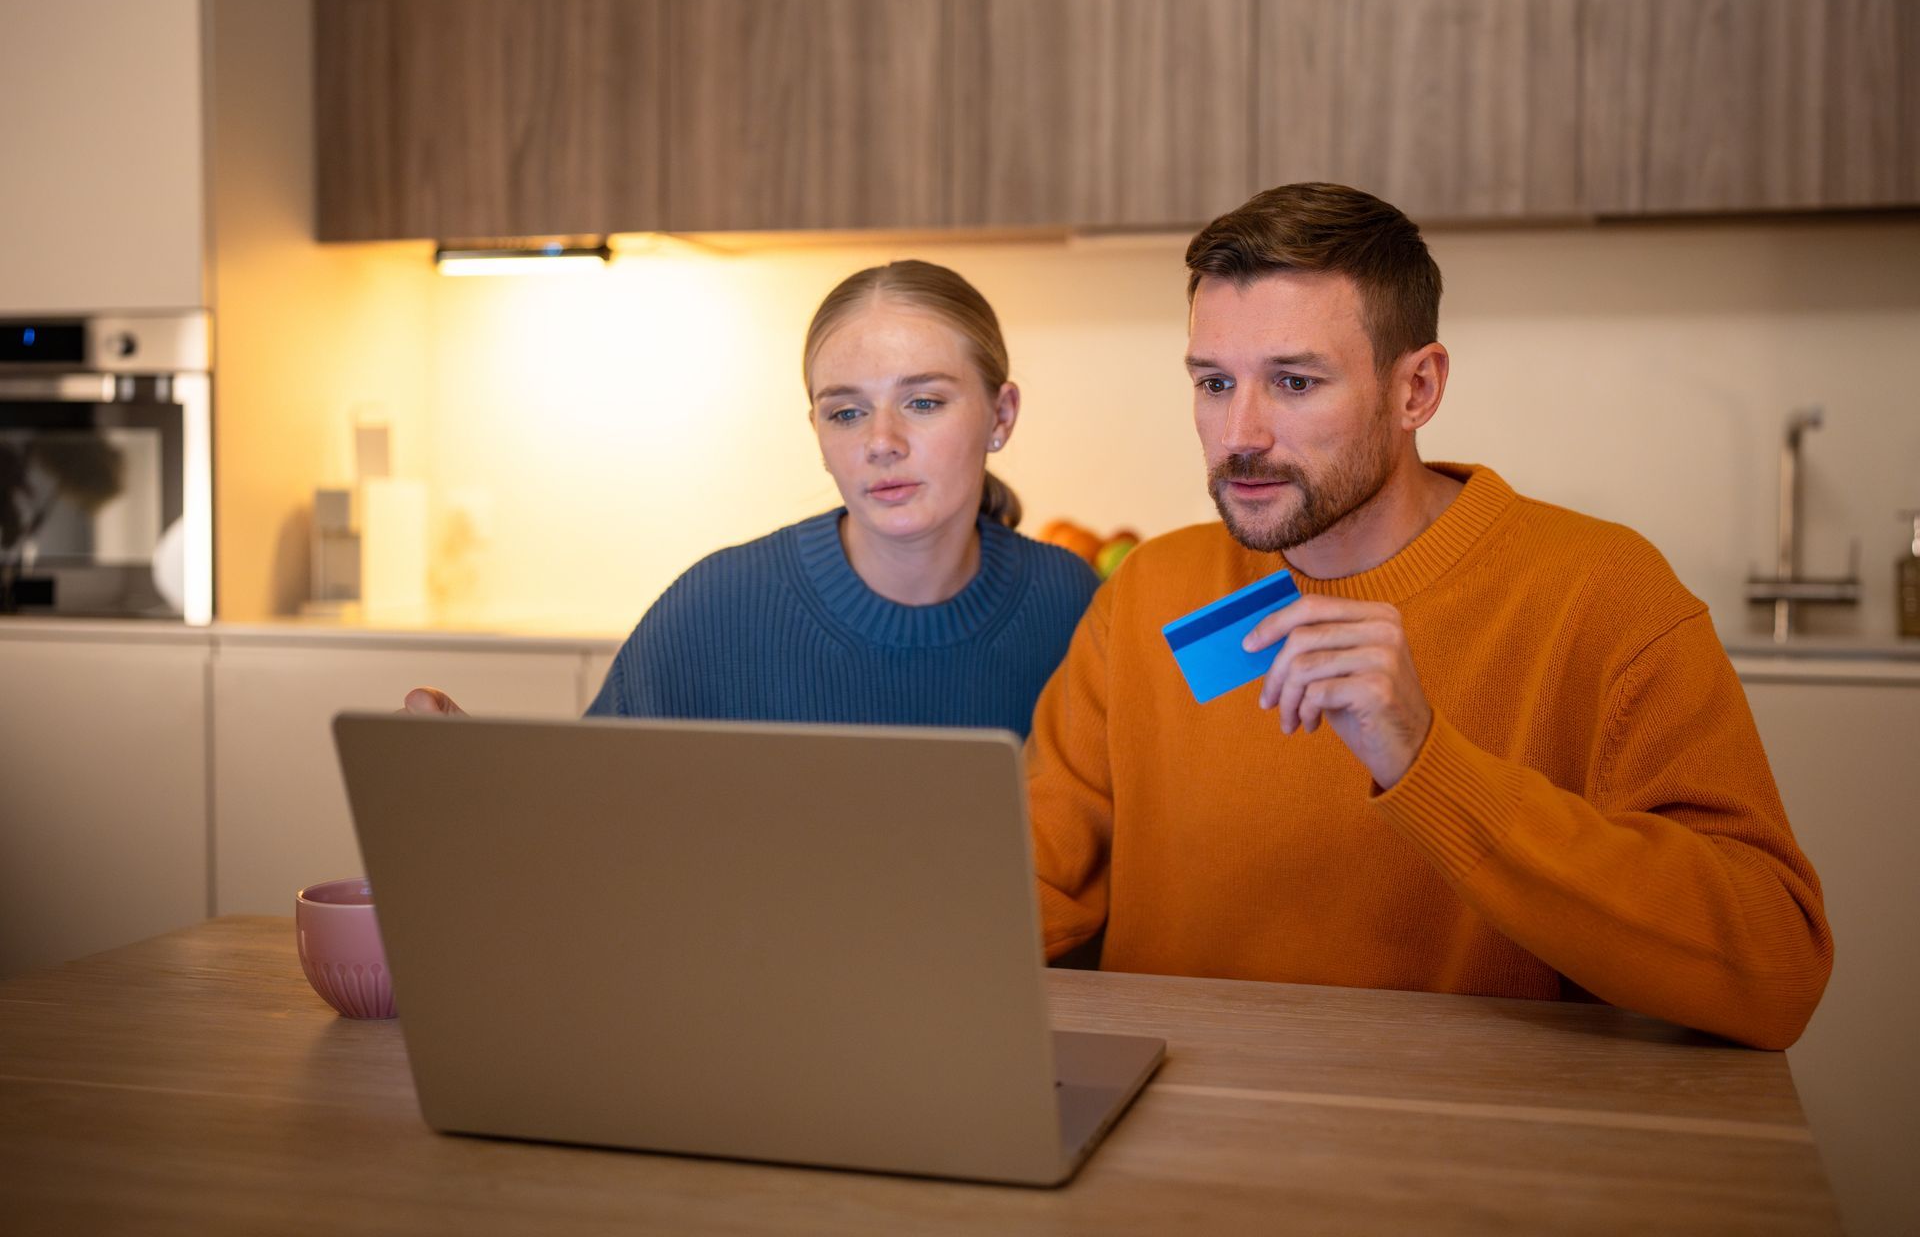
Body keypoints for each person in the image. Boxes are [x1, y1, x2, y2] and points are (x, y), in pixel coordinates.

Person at [1026, 183, 1832, 1049]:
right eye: (1214, 383)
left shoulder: (1601, 594)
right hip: (1181, 1133)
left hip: (1459, 1147)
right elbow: (1033, 887)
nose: (1240, 433)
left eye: (1294, 382)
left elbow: (1775, 970)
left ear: (1417, 389)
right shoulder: (1155, 589)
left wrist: (1426, 761)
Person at [406, 260, 1098, 736]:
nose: (881, 441)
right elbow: (585, 821)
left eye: (922, 401)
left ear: (1001, 416)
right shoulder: (714, 609)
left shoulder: (1077, 609)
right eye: (846, 412)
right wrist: (474, 777)